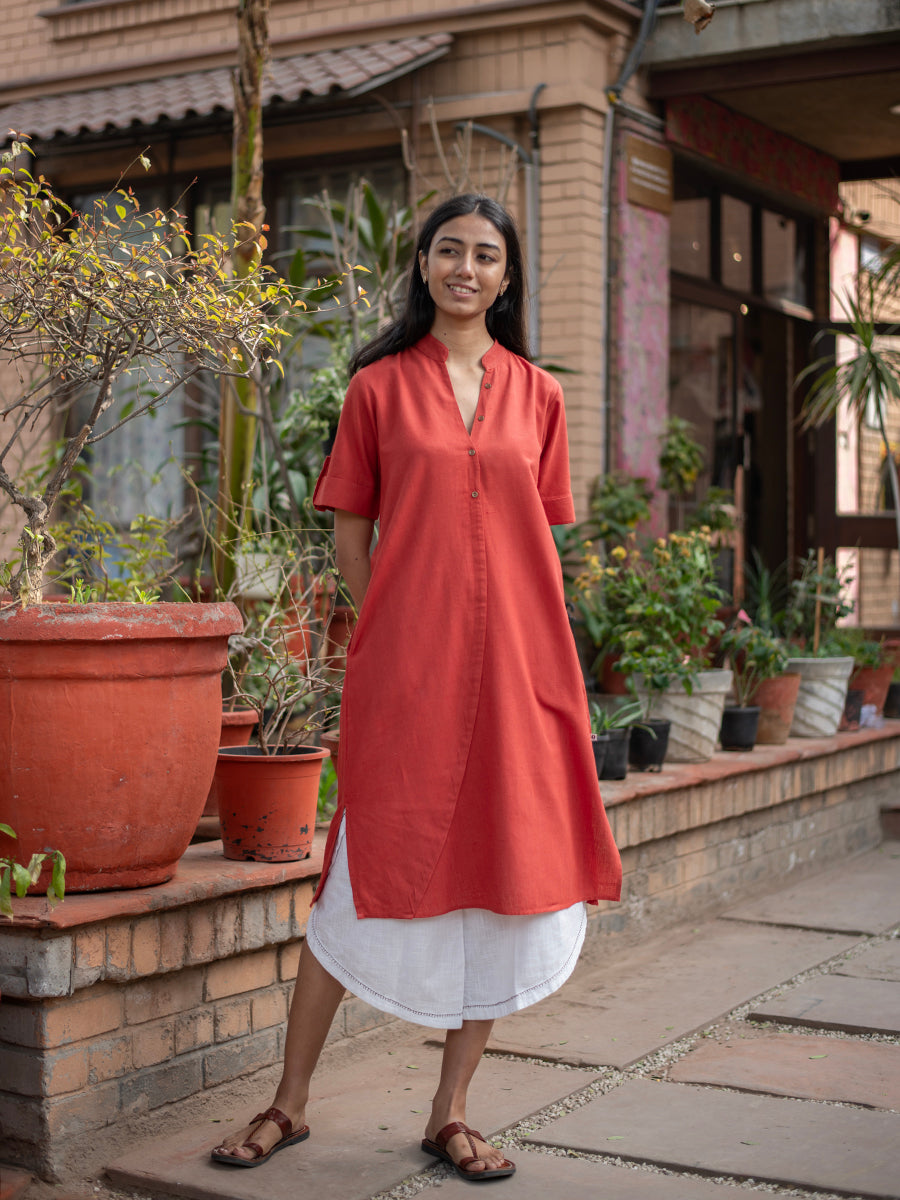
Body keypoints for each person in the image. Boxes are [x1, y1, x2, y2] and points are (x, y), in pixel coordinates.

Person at [211, 193, 622, 1181]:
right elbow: (351, 524)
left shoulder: (541, 397)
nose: (466, 269)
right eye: (449, 251)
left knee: (506, 872)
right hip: (410, 669)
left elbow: (540, 537)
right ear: (424, 266)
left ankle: (452, 1113)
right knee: (355, 877)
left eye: (486, 255)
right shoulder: (378, 390)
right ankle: (288, 1103)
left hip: (523, 666)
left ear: (508, 277)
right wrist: (389, 620)